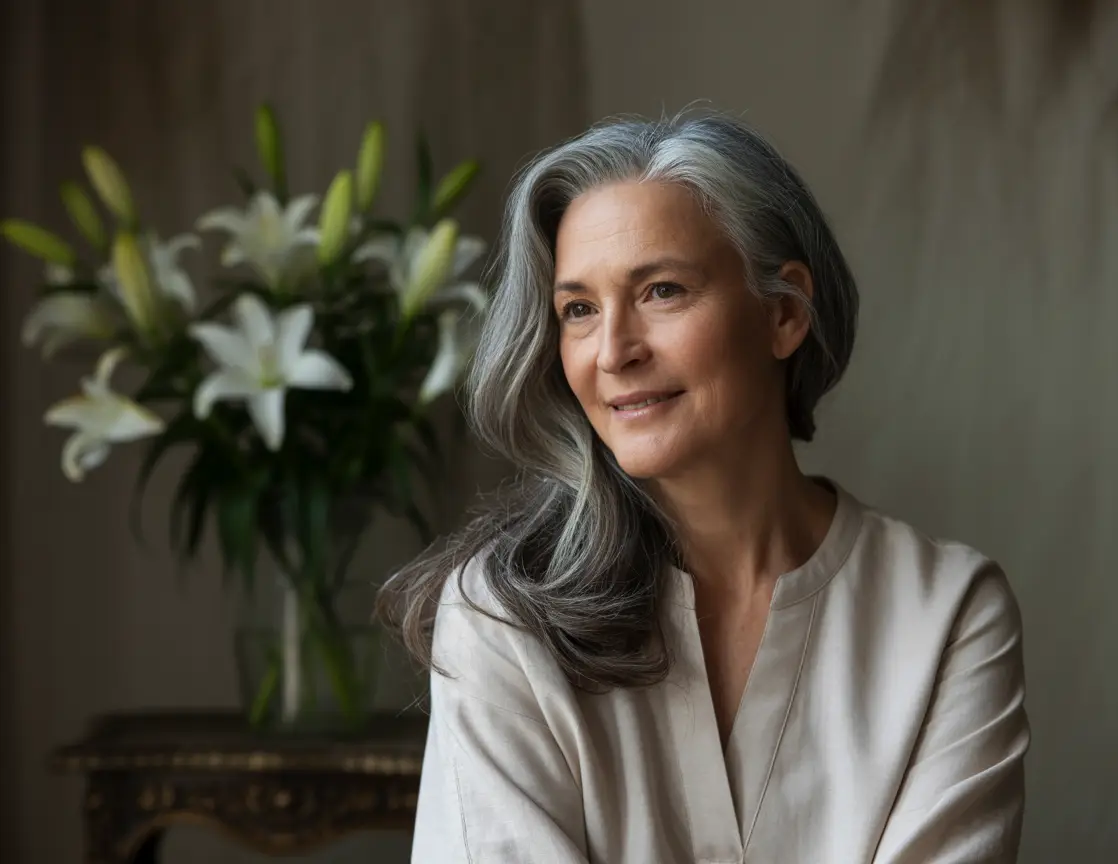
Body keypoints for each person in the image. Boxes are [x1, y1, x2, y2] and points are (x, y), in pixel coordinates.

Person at [378, 111, 1030, 863]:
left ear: (784, 313)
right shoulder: (501, 618)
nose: (614, 351)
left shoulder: (947, 614)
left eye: (661, 290)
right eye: (579, 310)